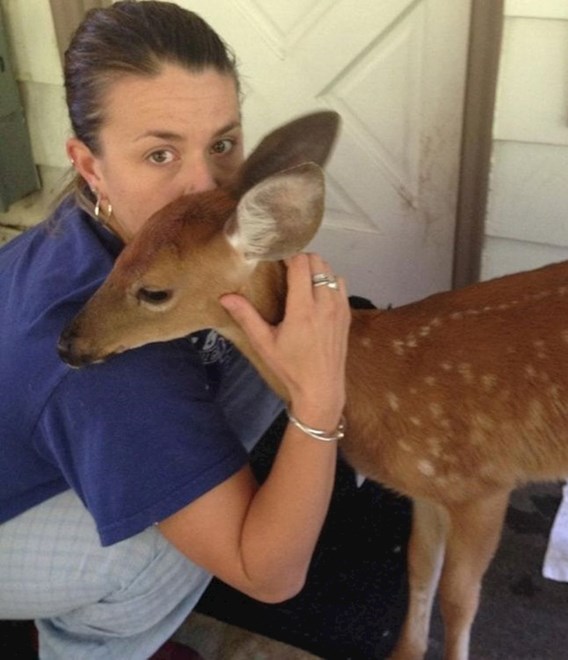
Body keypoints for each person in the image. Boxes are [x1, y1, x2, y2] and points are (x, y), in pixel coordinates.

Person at [0, 2, 351, 657]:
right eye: (159, 153)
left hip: (41, 429)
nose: (200, 187)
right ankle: (95, 642)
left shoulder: (101, 228)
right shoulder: (115, 372)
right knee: (154, 557)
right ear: (90, 165)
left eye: (222, 144)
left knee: (253, 340)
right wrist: (319, 402)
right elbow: (270, 575)